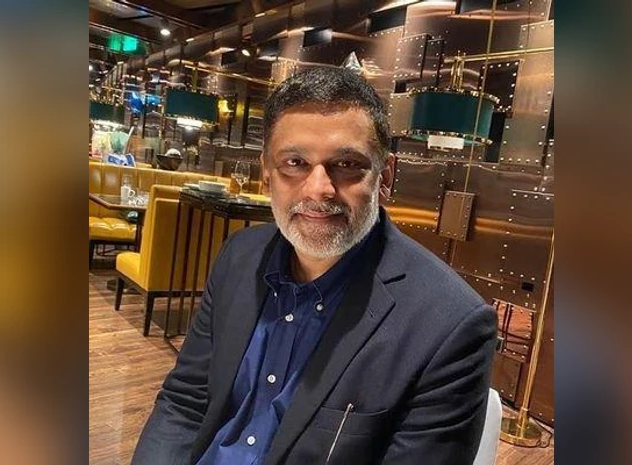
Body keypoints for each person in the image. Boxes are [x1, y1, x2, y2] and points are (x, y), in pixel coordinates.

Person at [131, 66, 497, 465]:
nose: (319, 189)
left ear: (385, 176)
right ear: (267, 173)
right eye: (295, 162)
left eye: (347, 164)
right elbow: (185, 401)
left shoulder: (449, 325)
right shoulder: (238, 256)